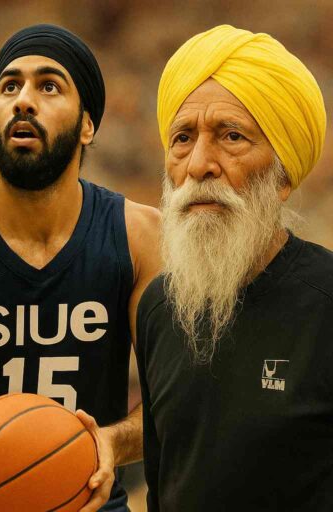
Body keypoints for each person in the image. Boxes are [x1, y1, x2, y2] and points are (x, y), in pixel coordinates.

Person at [0, 24, 160, 512]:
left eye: (49, 86)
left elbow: (177, 402)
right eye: (9, 87)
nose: (23, 100)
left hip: (89, 501)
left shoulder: (141, 236)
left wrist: (111, 441)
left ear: (87, 125)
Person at [137, 25, 332, 511]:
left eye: (231, 136)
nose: (199, 164)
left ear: (282, 176)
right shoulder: (158, 307)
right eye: (182, 139)